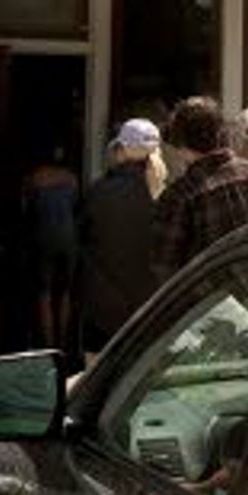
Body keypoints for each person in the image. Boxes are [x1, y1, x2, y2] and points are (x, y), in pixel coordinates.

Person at [154, 95, 248, 275]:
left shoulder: (181, 196)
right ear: (222, 134)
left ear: (181, 144)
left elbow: (164, 269)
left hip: (209, 301)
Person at [78, 118, 168, 355]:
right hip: (151, 319)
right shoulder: (166, 198)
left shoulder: (98, 193)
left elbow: (81, 247)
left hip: (103, 319)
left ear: (120, 151)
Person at [20, 149, 82, 359]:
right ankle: (62, 345)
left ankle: (48, 346)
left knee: (44, 293)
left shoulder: (34, 178)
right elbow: (76, 206)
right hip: (69, 238)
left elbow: (26, 209)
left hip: (43, 237)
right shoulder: (71, 179)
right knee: (65, 291)